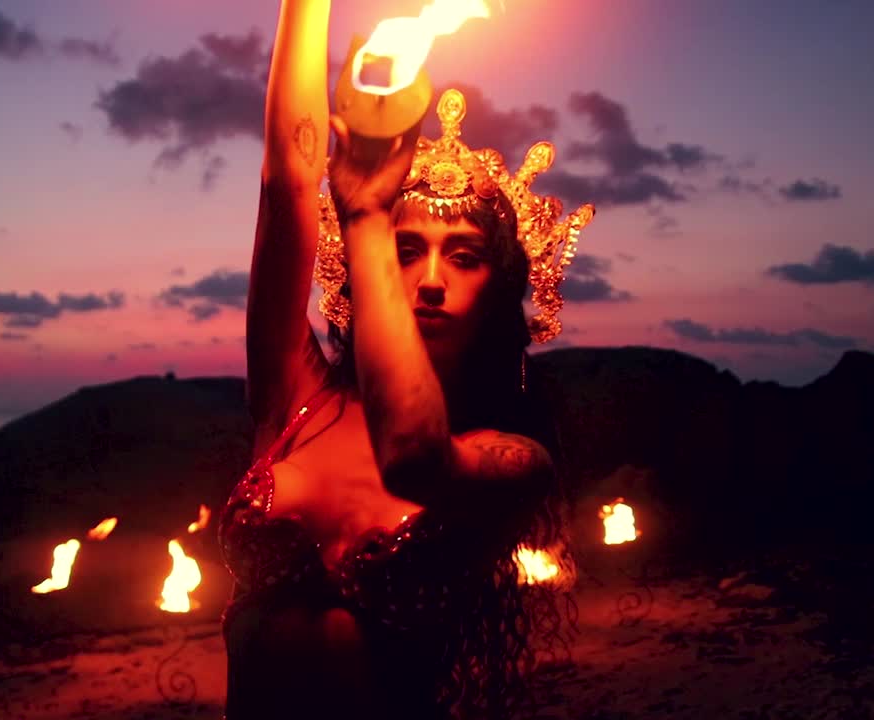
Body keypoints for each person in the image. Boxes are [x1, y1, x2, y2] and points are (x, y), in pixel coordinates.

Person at [219, 2, 594, 718]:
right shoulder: (295, 398)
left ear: (504, 288)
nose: (427, 279)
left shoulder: (512, 459)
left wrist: (368, 215)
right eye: (405, 247)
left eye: (464, 256)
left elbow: (413, 458)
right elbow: (289, 183)